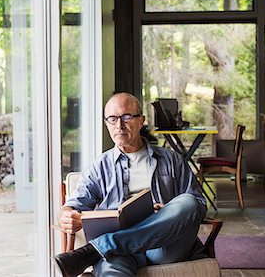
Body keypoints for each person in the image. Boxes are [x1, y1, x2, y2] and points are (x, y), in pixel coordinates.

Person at [55, 92, 207, 277]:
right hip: (118, 255)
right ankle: (108, 245)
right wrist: (65, 215)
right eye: (112, 119)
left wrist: (167, 213)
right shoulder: (98, 167)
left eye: (126, 117)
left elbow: (199, 205)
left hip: (162, 247)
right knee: (111, 269)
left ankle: (101, 246)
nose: (119, 125)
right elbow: (72, 207)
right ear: (106, 123)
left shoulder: (171, 159)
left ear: (141, 120)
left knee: (189, 203)